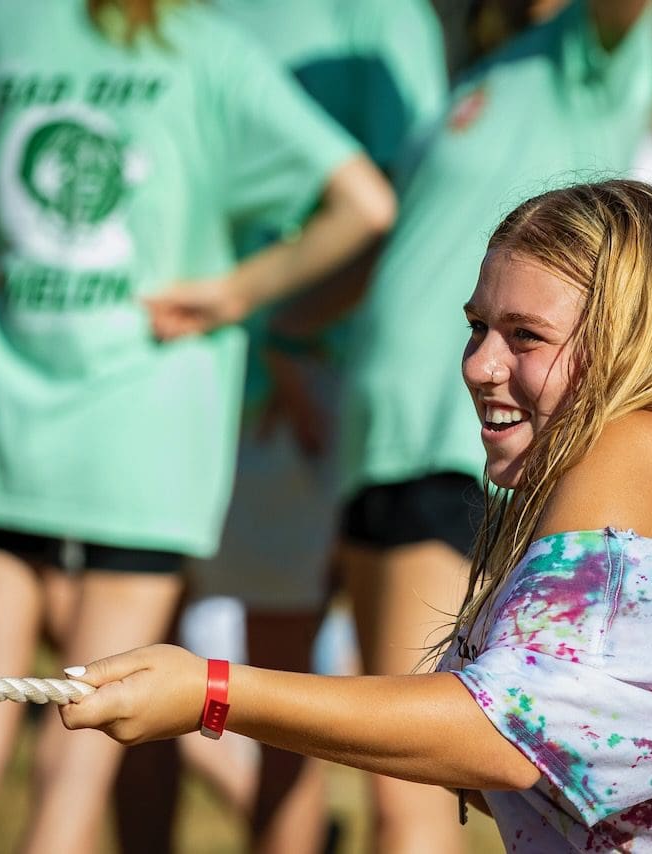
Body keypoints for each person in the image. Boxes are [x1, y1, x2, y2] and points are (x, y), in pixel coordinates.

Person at [62, 178, 652, 853]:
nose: (480, 365)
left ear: (626, 341)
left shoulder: (631, 447)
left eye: (525, 336)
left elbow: (498, 733)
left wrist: (213, 691)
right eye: (477, 327)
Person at [0, 0, 394, 851]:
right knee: (78, 762)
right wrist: (241, 293)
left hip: (5, 436)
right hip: (145, 453)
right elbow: (364, 203)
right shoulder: (210, 53)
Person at [330, 3, 652, 848]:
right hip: (381, 440)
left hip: (464, 446)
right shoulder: (483, 72)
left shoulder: (588, 55)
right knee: (377, 764)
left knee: (407, 780)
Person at [178, 1, 448, 850]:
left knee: (315, 717)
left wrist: (297, 336)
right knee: (243, 700)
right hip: (195, 388)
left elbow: (403, 213)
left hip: (308, 407)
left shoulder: (383, 18)